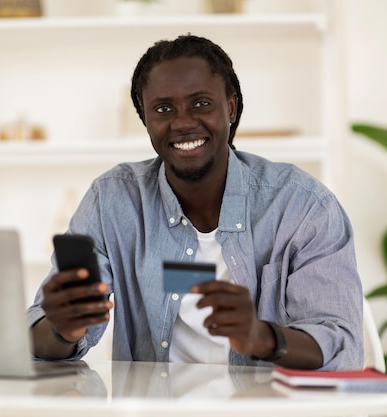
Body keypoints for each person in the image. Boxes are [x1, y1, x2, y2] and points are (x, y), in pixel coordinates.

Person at [27, 34, 363, 370]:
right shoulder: (113, 201)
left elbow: (340, 343)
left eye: (201, 103)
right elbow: (35, 337)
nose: (183, 122)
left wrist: (261, 337)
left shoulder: (303, 206)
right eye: (163, 108)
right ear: (145, 118)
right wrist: (62, 330)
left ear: (230, 108)